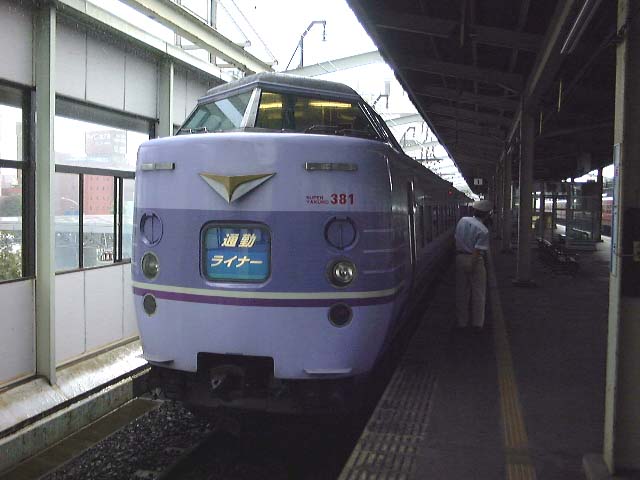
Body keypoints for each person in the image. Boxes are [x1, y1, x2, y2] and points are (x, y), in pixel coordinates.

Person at [454, 199, 492, 331]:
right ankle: (477, 324)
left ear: (474, 211)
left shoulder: (462, 220)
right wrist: (472, 265)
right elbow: (477, 250)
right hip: (474, 260)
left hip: (459, 257)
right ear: (487, 214)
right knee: (478, 293)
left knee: (461, 292)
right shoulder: (484, 230)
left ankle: (462, 322)